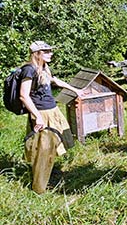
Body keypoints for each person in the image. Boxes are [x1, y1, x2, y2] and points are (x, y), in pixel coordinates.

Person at [19, 41, 83, 194]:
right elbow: (23, 95)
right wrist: (37, 117)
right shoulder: (29, 70)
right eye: (46, 51)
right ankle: (39, 188)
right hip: (42, 114)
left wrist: (75, 90)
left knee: (54, 145)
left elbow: (55, 81)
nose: (50, 53)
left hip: (52, 111)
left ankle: (49, 172)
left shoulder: (44, 68)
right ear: (37, 53)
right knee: (43, 150)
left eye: (50, 51)